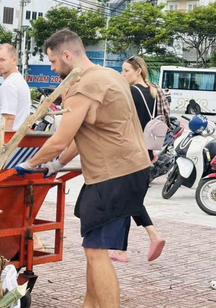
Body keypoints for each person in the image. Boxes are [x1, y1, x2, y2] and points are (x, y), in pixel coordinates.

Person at [14, 29, 152, 308]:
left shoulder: (82, 86)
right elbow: (85, 134)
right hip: (131, 170)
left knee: (96, 252)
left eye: (53, 62)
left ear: (67, 55)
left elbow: (60, 140)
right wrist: (57, 164)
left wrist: (29, 164)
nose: (53, 69)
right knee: (94, 248)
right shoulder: (110, 75)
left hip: (112, 174)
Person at [110, 55, 166, 263]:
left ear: (138, 71)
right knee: (128, 197)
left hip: (129, 150)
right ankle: (152, 237)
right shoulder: (153, 91)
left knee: (125, 198)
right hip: (146, 151)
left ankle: (123, 249)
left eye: (125, 71)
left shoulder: (132, 92)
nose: (122, 74)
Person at [0, 44, 31, 131]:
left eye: (2, 60)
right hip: (16, 137)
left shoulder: (10, 85)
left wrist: (4, 144)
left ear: (14, 60)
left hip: (2, 139)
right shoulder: (19, 80)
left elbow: (8, 119)